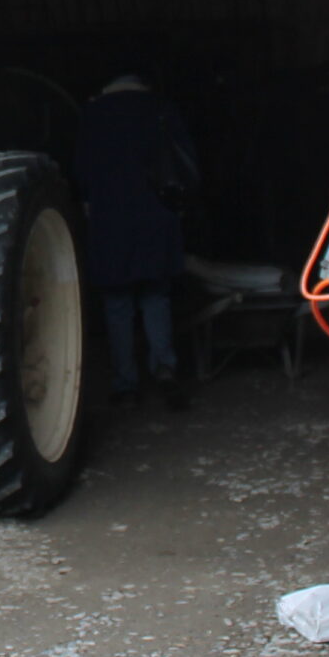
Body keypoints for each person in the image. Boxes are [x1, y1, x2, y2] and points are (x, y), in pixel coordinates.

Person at [75, 72, 199, 410]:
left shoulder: (93, 113)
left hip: (110, 219)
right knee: (156, 297)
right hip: (156, 215)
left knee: (117, 305)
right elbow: (184, 161)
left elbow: (82, 171)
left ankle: (125, 383)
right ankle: (164, 370)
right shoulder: (160, 108)